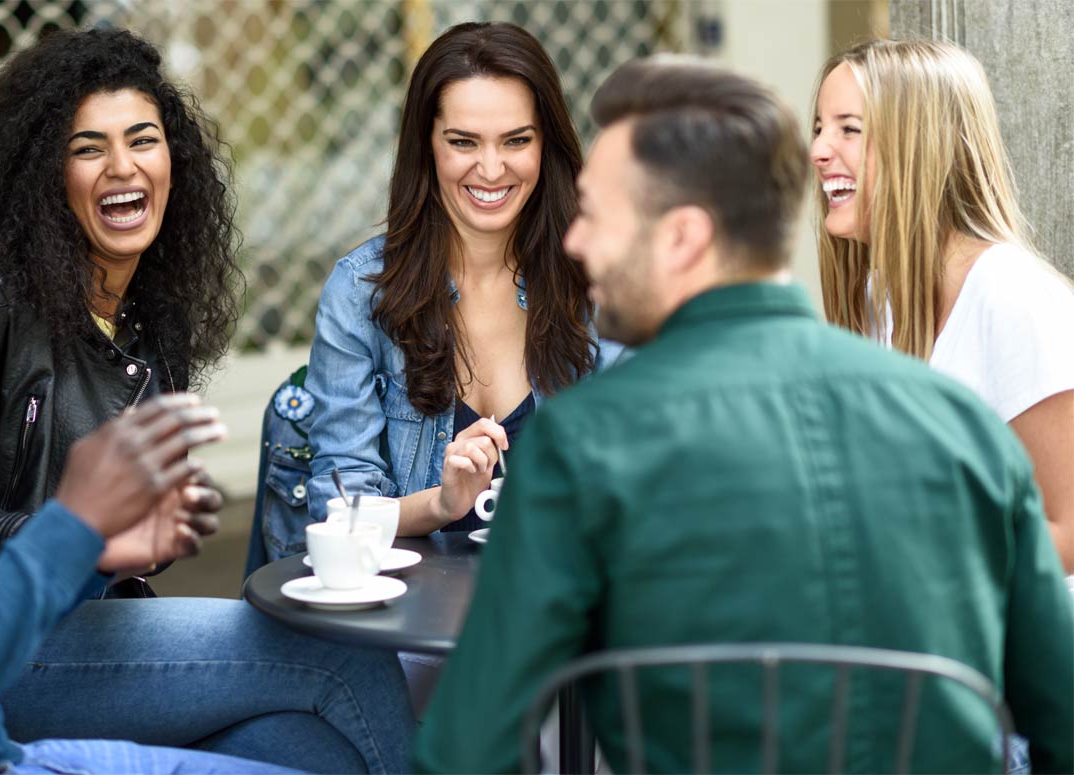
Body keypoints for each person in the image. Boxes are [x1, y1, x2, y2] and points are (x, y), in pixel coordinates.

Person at [412, 57, 1073, 773]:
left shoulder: (582, 444)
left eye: (596, 215)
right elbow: (1061, 712)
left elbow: (465, 749)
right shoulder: (959, 422)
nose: (574, 242)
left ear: (684, 237)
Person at [0, 105, 415, 774]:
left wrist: (101, 549)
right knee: (345, 657)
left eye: (144, 140)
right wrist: (72, 527)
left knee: (302, 746)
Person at [0, 27, 240, 597]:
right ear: (43, 179)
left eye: (142, 140)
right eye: (88, 148)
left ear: (173, 161)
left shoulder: (160, 319)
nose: (122, 167)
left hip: (102, 613)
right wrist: (79, 539)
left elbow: (141, 544)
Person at [300, 21, 621, 548]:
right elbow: (341, 508)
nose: (491, 169)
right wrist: (442, 504)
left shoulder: (603, 283)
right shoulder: (360, 292)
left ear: (546, 145)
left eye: (516, 140)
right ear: (427, 146)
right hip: (407, 617)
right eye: (463, 142)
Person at [811, 39, 1074, 573]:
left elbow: (1069, 533)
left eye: (849, 129)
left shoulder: (1012, 296)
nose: (818, 151)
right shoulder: (878, 301)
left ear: (918, 145)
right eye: (819, 127)